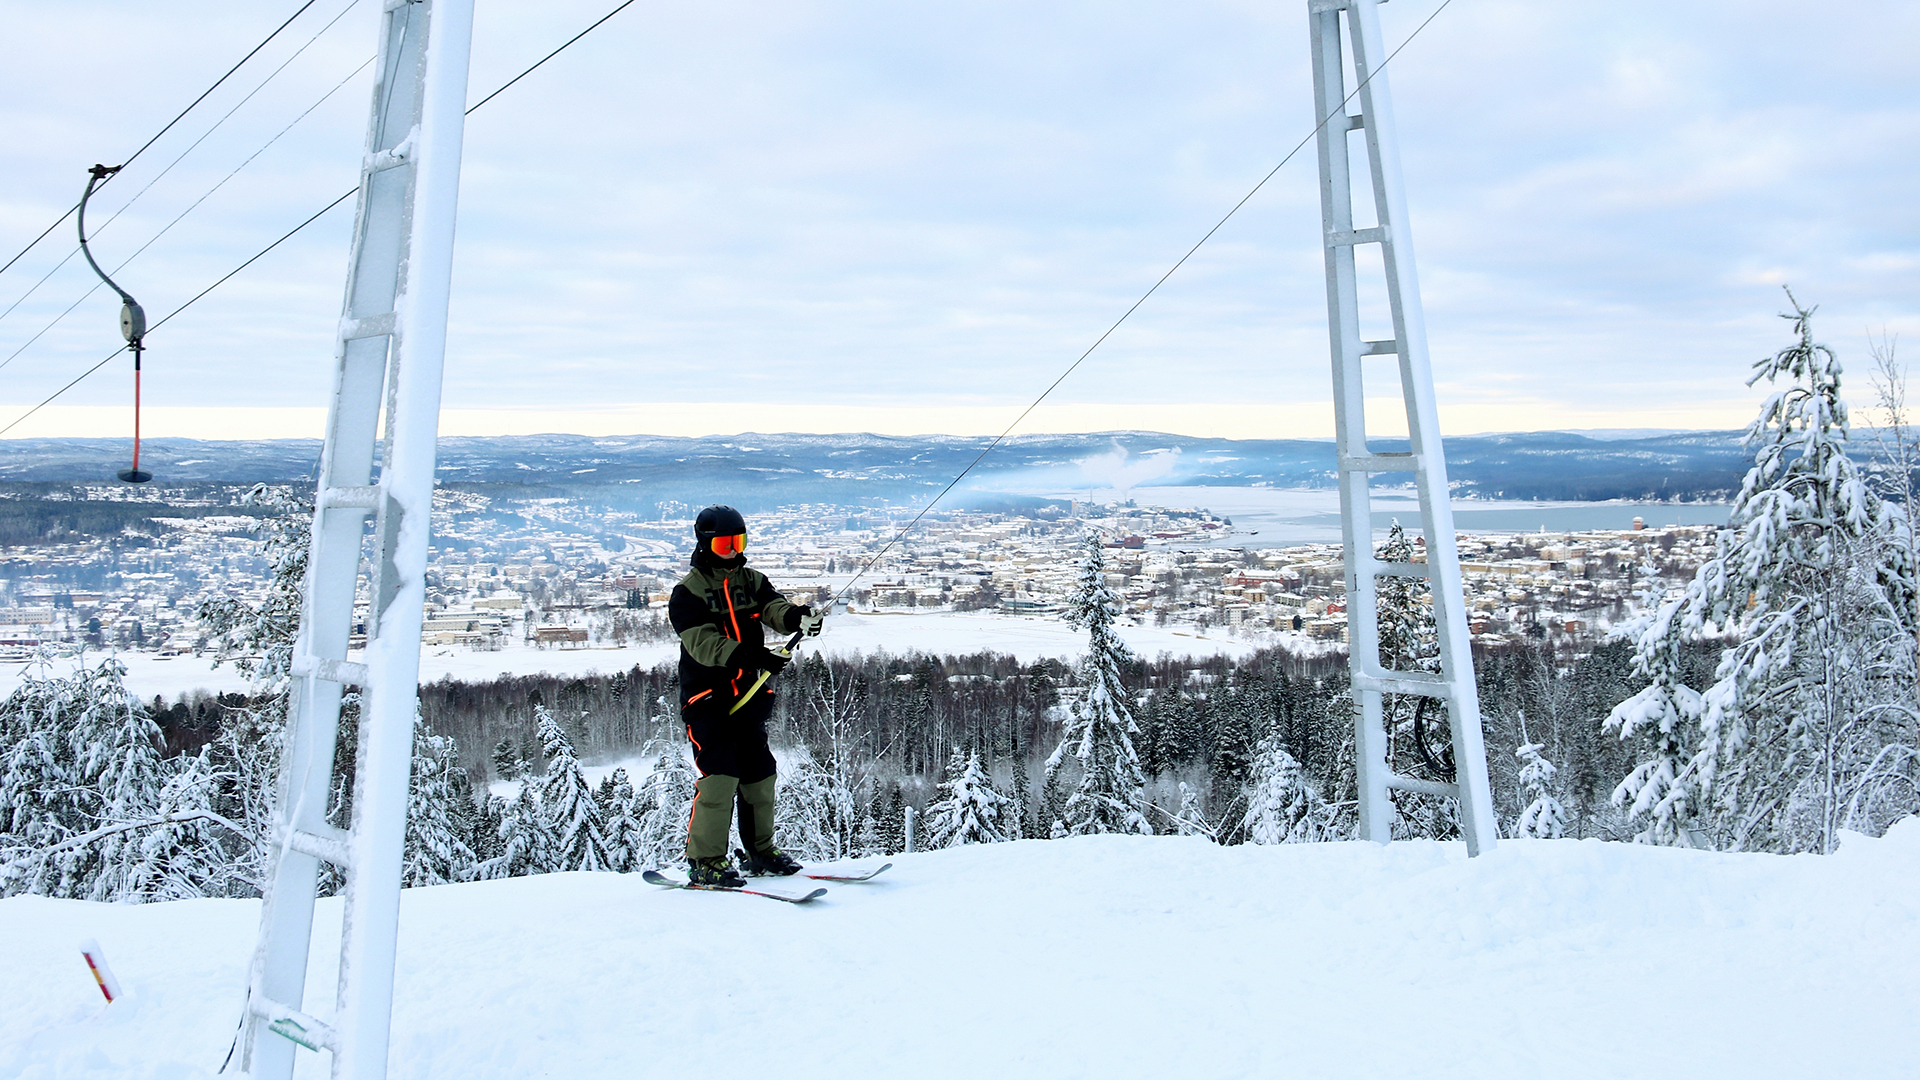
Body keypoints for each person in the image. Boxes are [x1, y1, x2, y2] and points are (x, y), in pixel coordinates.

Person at [670, 505, 825, 886]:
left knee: (759, 774)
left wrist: (796, 618)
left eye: (738, 542)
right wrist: (752, 655)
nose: (733, 550)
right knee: (720, 775)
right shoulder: (687, 594)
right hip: (708, 700)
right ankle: (706, 860)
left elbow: (773, 607)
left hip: (749, 696)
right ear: (706, 545)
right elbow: (704, 644)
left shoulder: (752, 580)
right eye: (725, 543)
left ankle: (760, 851)